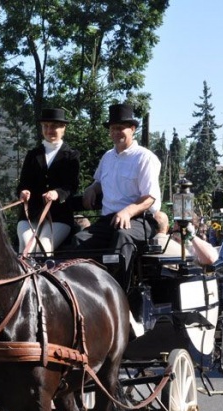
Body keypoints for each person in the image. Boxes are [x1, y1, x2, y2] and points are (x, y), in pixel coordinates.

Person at [73, 103, 161, 288]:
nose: (116, 133)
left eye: (120, 128)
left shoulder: (144, 158)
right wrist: (92, 189)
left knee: (122, 238)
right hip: (109, 220)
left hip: (140, 220)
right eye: (113, 129)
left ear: (132, 129)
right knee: (79, 241)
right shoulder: (107, 157)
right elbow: (99, 182)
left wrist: (128, 212)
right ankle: (85, 291)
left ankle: (120, 295)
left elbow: (150, 197)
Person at [15, 107, 80, 255]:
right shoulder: (32, 155)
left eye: (54, 126)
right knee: (26, 246)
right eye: (46, 126)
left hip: (59, 216)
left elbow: (71, 186)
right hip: (30, 214)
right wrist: (23, 192)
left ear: (63, 128)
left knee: (43, 248)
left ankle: (42, 277)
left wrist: (57, 194)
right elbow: (23, 183)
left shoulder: (71, 156)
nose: (49, 130)